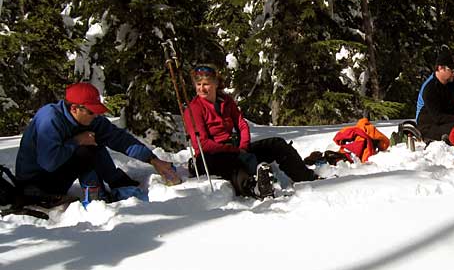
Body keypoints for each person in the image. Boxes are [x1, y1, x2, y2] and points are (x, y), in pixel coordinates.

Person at [14, 82, 180, 205]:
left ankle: (116, 183)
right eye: (91, 111)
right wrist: (77, 141)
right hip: (37, 184)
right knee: (85, 148)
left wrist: (153, 160)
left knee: (93, 141)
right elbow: (48, 162)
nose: (95, 116)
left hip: (56, 174)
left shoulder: (88, 119)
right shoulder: (50, 120)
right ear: (74, 109)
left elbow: (119, 139)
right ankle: (94, 198)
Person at [184, 63, 315, 197]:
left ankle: (306, 178)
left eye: (206, 84)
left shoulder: (226, 101)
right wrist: (235, 151)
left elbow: (241, 124)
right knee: (234, 164)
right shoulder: (193, 109)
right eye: (198, 85)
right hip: (210, 156)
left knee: (277, 144)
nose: (201, 89)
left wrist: (243, 146)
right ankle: (254, 187)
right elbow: (203, 144)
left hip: (235, 148)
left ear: (216, 83)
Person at [415, 46, 454, 142]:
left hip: (446, 121)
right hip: (428, 125)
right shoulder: (430, 88)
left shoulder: (452, 82)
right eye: (452, 70)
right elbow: (438, 117)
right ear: (440, 68)